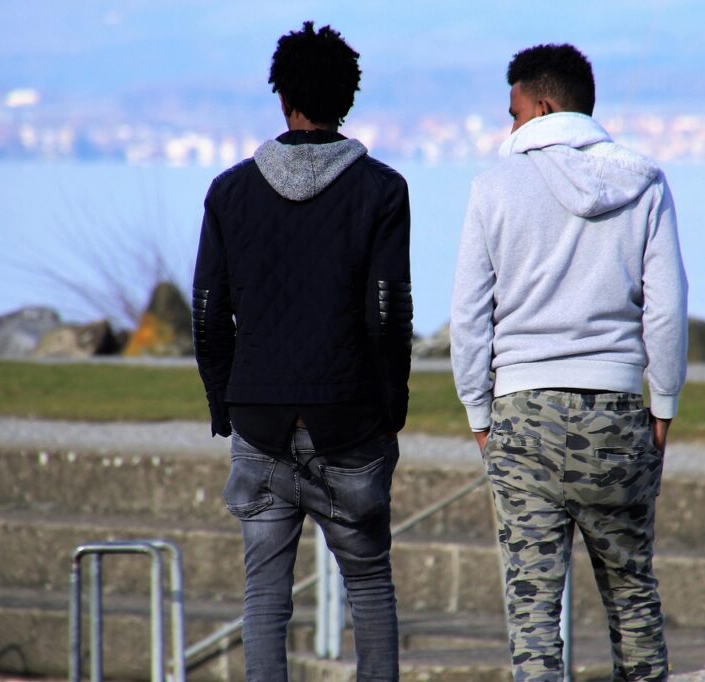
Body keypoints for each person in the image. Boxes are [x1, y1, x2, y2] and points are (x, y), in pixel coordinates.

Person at [450, 43, 687, 681]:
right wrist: (661, 403)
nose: (510, 127)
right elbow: (664, 310)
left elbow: (470, 315)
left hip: (522, 416)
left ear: (542, 106)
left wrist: (478, 408)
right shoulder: (645, 182)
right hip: (615, 411)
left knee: (533, 617)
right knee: (633, 595)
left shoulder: (492, 187)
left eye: (513, 112)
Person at [192, 21, 411, 682]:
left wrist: (224, 403)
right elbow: (386, 313)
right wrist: (390, 405)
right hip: (351, 420)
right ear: (348, 98)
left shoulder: (229, 191)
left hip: (257, 416)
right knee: (369, 587)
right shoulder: (382, 189)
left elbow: (207, 312)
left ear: (283, 96)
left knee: (264, 600)